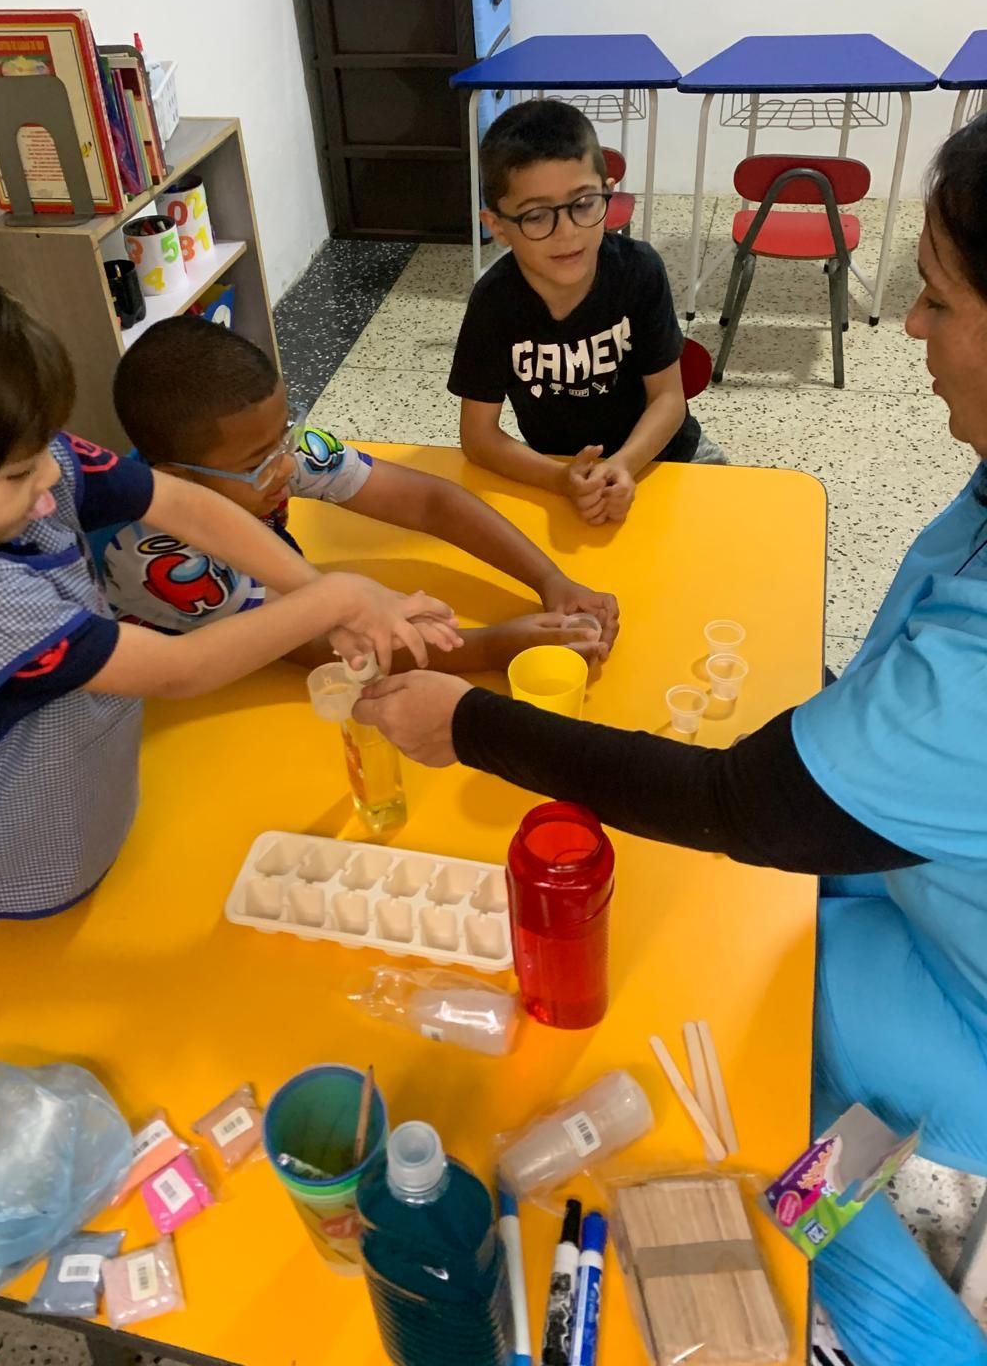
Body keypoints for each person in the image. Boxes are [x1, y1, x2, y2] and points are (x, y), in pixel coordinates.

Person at [356, 117, 987, 1365]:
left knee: (753, 1021)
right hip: (926, 880)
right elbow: (405, 476)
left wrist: (475, 717)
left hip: (957, 978)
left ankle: (894, 1321)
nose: (909, 327)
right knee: (749, 945)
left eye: (938, 298)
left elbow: (749, 804)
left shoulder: (638, 280)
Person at [0, 256, 457, 1006]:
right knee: (11, 1021)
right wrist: (337, 595)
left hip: (51, 813)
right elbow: (181, 671)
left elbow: (181, 503)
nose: (50, 476)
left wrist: (319, 591)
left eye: (46, 444)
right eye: (16, 474)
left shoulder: (0, 459)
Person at [100, 314, 619, 671]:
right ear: (179, 478)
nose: (286, 465)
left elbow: (429, 503)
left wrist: (548, 578)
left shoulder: (268, 449)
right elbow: (312, 645)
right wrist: (490, 649)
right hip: (195, 701)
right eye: (259, 464)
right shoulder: (159, 561)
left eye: (287, 432)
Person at [449, 99, 725, 527]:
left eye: (583, 204)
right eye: (537, 216)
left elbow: (669, 399)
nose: (567, 233)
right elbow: (478, 437)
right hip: (556, 473)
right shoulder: (494, 303)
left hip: (662, 455)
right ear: (498, 226)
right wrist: (561, 477)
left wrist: (623, 465)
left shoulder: (640, 270)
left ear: (608, 192)